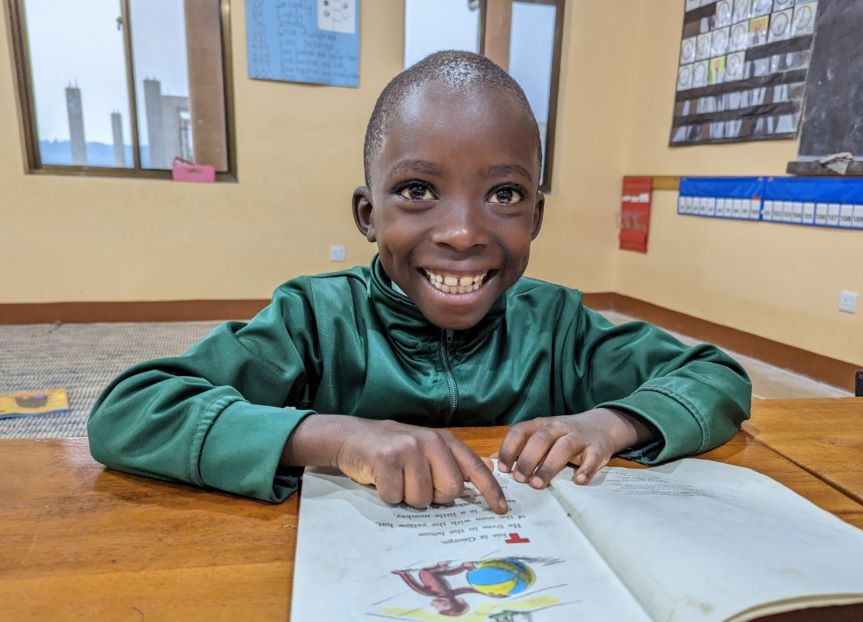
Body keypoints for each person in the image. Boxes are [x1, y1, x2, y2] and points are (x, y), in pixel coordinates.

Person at [88, 51, 751, 515]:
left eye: (504, 193)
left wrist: (609, 424)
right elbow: (128, 413)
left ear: (536, 217)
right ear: (367, 215)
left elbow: (715, 377)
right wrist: (334, 436)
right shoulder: (313, 319)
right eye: (417, 190)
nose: (462, 232)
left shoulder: (558, 326)